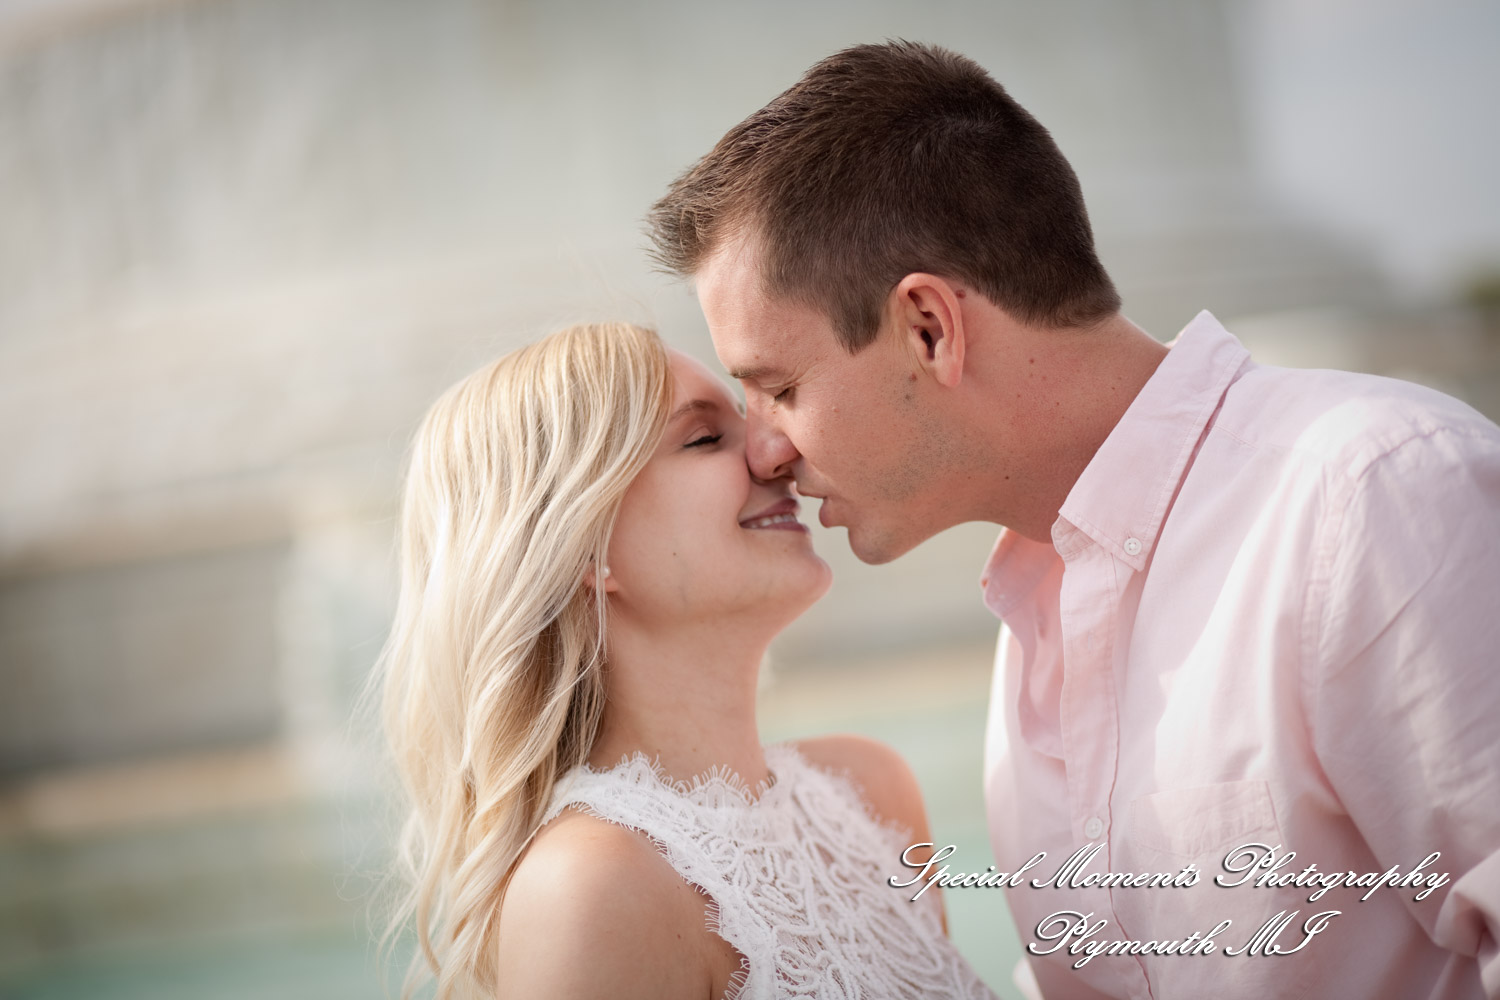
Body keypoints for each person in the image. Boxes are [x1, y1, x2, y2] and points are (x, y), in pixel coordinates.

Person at [647, 40, 1500, 1000]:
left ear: (929, 328)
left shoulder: (1370, 499)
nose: (765, 452)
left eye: (780, 387)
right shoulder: (1035, 617)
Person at [367, 321, 998, 1000]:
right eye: (703, 438)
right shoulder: (590, 889)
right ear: (584, 548)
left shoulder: (869, 791)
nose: (776, 453)